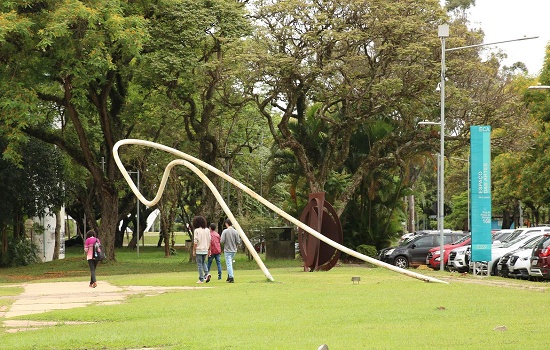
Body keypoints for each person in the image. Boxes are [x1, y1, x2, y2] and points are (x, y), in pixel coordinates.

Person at [220, 219, 241, 283]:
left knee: (229, 264)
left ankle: (231, 277)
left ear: (226, 224)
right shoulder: (235, 231)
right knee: (230, 263)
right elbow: (238, 241)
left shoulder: (225, 231)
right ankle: (229, 276)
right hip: (234, 250)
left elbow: (222, 241)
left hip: (227, 250)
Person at [192, 215, 211, 284]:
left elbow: (195, 241)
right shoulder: (207, 230)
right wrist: (209, 250)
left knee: (199, 264)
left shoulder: (196, 230)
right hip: (205, 249)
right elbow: (210, 240)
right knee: (203, 262)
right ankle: (207, 273)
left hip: (199, 249)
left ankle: (201, 278)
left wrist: (194, 250)